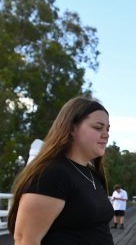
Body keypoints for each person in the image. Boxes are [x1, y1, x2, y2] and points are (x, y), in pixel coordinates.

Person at [7, 96, 113, 245]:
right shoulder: (51, 173)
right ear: (72, 128)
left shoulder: (91, 174)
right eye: (98, 127)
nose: (106, 134)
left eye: (107, 129)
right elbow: (26, 240)